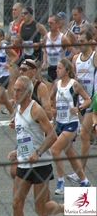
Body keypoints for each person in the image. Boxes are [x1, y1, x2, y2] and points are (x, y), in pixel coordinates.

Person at [7, 76, 64, 216]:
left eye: (19, 91)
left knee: (41, 209)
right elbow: (25, 136)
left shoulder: (36, 109)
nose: (15, 94)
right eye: (14, 90)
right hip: (24, 163)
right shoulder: (18, 109)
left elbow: (52, 136)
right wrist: (17, 151)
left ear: (28, 93)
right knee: (16, 204)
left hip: (40, 164)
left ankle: (69, 206)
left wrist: (37, 152)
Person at [50, 59, 92, 195]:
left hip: (71, 123)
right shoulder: (56, 84)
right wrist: (52, 110)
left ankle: (61, 182)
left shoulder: (74, 84)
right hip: (59, 123)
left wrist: (78, 108)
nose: (57, 70)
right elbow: (50, 100)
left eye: (59, 68)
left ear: (67, 71)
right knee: (71, 156)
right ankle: (85, 181)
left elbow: (88, 99)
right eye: (56, 68)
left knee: (55, 149)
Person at [9, 59, 53, 179]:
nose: (21, 71)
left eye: (24, 69)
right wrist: (17, 120)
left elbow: (49, 113)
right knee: (14, 171)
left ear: (33, 71)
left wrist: (35, 115)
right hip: (25, 137)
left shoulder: (40, 87)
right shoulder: (19, 87)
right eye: (20, 69)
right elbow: (20, 112)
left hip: (39, 133)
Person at [67, 29, 97, 184]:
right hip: (81, 101)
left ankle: (81, 173)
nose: (79, 44)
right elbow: (73, 81)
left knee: (84, 135)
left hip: (93, 100)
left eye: (82, 41)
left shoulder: (94, 56)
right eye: (78, 41)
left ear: (90, 42)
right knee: (89, 136)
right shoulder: (75, 58)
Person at [42, 14, 73, 90]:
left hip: (59, 68)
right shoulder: (46, 37)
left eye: (51, 23)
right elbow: (45, 51)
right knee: (49, 92)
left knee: (57, 91)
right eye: (48, 23)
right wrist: (44, 62)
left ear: (58, 24)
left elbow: (73, 51)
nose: (49, 25)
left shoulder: (62, 38)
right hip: (50, 68)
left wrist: (66, 59)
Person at [17, 6, 47, 82]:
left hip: (36, 54)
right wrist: (17, 40)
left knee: (37, 77)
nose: (23, 15)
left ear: (30, 14)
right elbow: (20, 38)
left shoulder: (37, 25)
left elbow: (47, 37)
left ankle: (42, 91)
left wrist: (39, 44)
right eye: (22, 13)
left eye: (25, 13)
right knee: (26, 76)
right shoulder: (22, 25)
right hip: (26, 53)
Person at [6, 3, 24, 101]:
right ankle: (12, 101)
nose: (13, 12)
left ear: (21, 11)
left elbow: (20, 39)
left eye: (15, 10)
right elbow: (9, 38)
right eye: (12, 10)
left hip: (21, 54)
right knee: (12, 80)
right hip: (13, 54)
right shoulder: (11, 24)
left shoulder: (22, 23)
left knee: (22, 80)